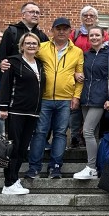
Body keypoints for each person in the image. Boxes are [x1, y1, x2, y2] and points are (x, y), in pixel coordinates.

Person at [25, 17, 83, 179]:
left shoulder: (77, 52)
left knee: (60, 133)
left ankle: (55, 167)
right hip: (44, 98)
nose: (62, 31)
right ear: (52, 30)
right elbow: (25, 58)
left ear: (70, 31)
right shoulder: (42, 47)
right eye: (58, 28)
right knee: (40, 133)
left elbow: (80, 77)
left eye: (65, 29)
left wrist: (76, 97)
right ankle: (34, 167)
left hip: (65, 99)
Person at [0, 33, 45, 195]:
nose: (31, 46)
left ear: (38, 47)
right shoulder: (13, 62)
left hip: (32, 113)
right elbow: (5, 84)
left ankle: (14, 179)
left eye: (34, 43)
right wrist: (3, 107)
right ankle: (8, 183)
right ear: (22, 46)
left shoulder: (39, 64)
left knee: (23, 149)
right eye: (28, 43)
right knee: (14, 147)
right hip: (15, 111)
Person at [73, 26, 109, 180]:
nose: (94, 38)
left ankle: (91, 167)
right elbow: (79, 70)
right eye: (91, 35)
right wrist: (76, 74)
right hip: (86, 97)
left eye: (97, 35)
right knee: (92, 133)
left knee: (87, 131)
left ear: (103, 37)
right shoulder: (86, 55)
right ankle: (96, 166)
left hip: (101, 99)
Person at [0, 2, 49, 75]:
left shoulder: (42, 36)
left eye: (37, 13)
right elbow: (2, 54)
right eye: (32, 12)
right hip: (14, 78)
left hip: (35, 78)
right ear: (23, 15)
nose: (35, 15)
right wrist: (1, 64)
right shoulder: (12, 32)